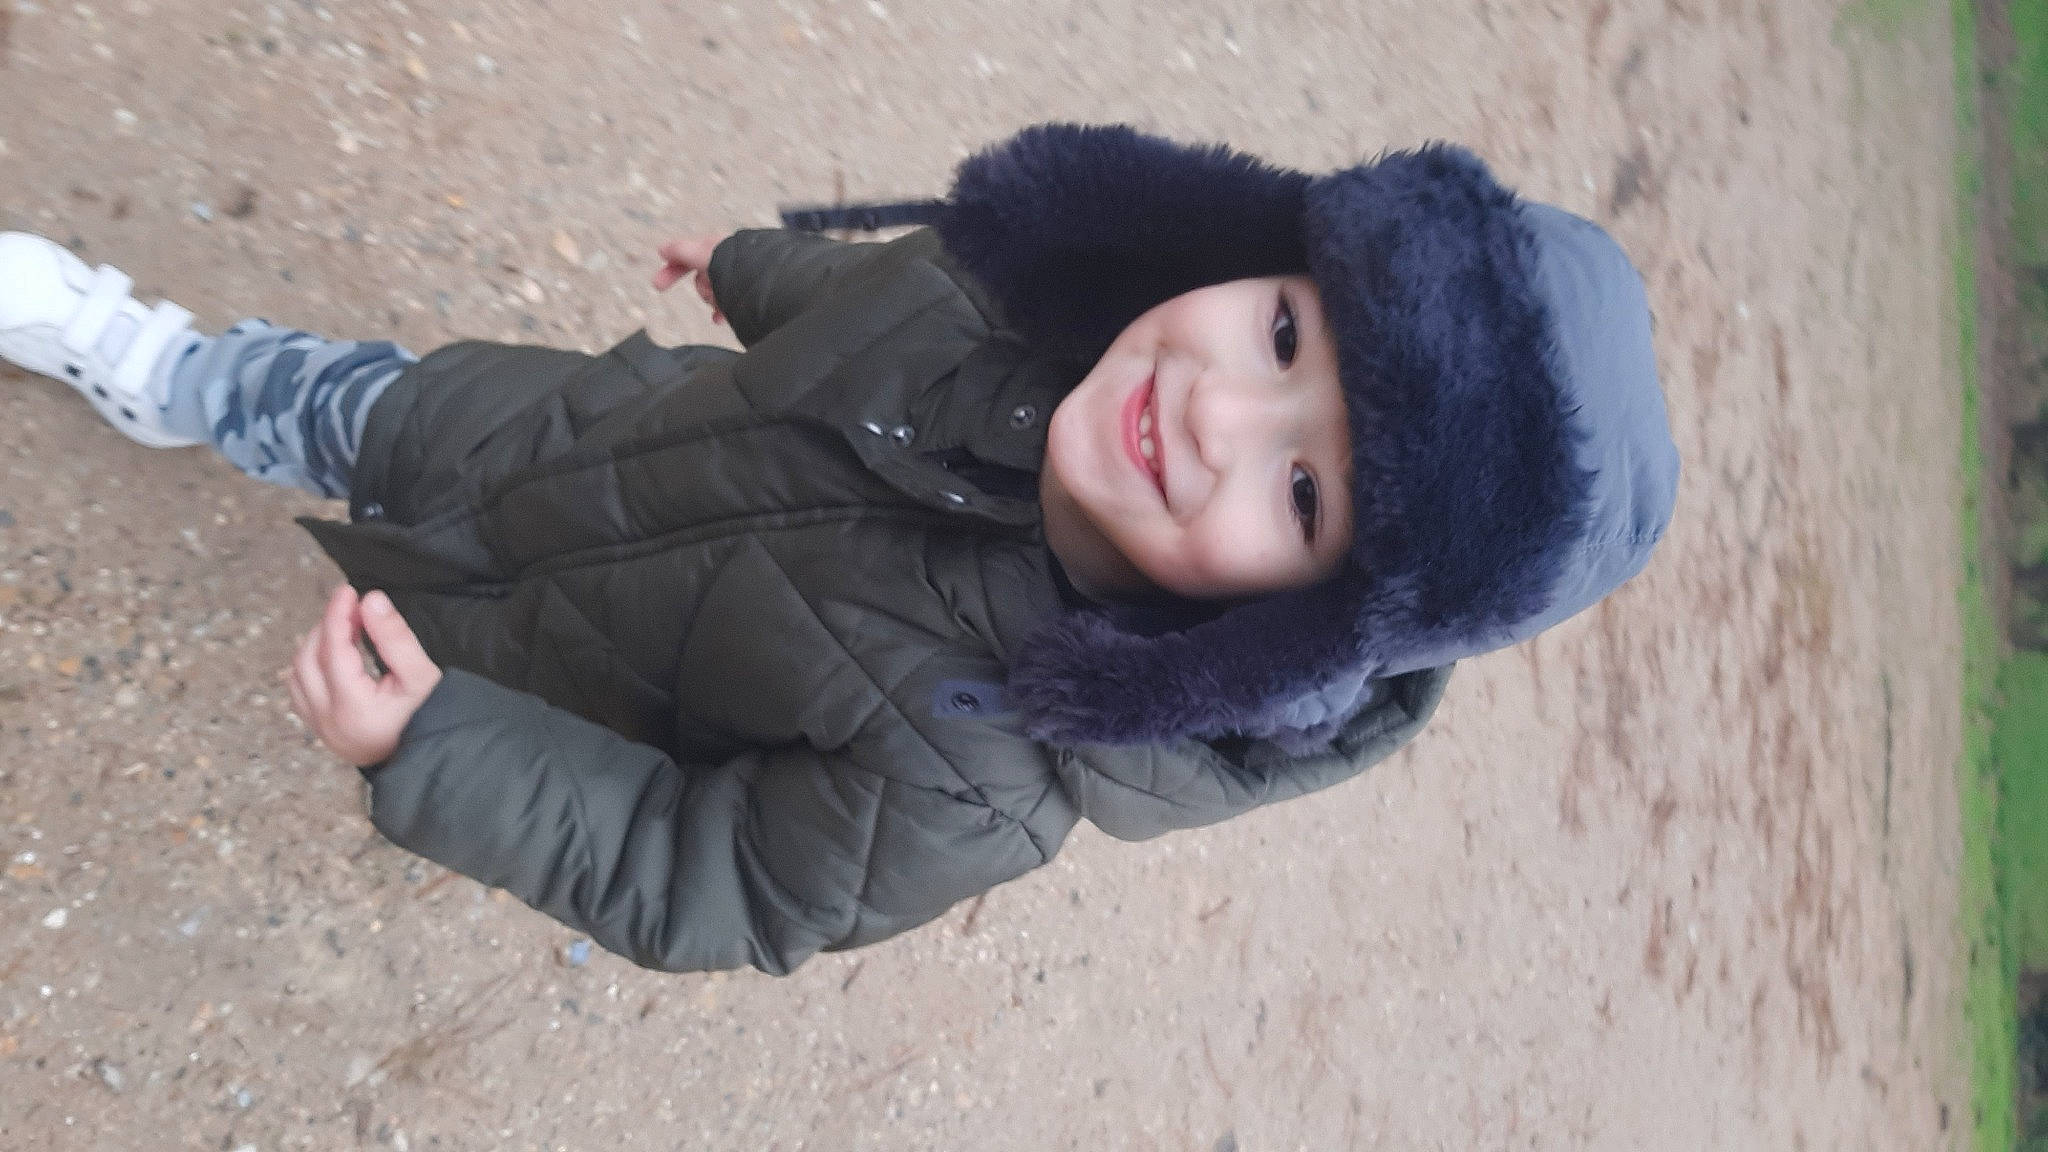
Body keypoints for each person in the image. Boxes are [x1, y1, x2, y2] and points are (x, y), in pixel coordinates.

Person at [0, 123, 1679, 975]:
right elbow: (860, 304)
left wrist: (436, 749)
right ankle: (171, 372)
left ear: (1295, 631)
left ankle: (257, 442)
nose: (1218, 415)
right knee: (333, 400)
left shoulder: (979, 778)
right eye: (1286, 336)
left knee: (404, 598)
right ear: (1253, 244)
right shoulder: (1011, 311)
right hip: (534, 433)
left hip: (535, 683)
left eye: (1305, 499)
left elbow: (702, 870)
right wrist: (742, 266)